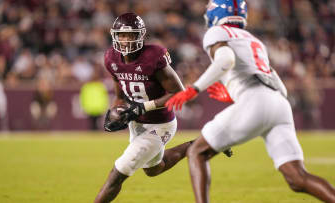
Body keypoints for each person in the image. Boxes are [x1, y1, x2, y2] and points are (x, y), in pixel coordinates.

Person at [165, 0, 335, 203]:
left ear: (215, 13)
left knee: (196, 152)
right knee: (297, 178)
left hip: (255, 99)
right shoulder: (253, 40)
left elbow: (226, 60)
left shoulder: (217, 32)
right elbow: (281, 87)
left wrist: (194, 89)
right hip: (278, 103)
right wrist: (235, 93)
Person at [94, 12, 192, 203]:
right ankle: (197, 145)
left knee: (118, 171)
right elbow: (120, 96)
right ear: (114, 35)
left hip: (160, 124)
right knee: (154, 169)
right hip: (136, 124)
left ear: (140, 35)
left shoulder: (153, 56)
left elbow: (179, 93)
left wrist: (143, 107)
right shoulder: (111, 59)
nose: (125, 40)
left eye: (130, 35)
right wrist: (117, 111)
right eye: (121, 35)